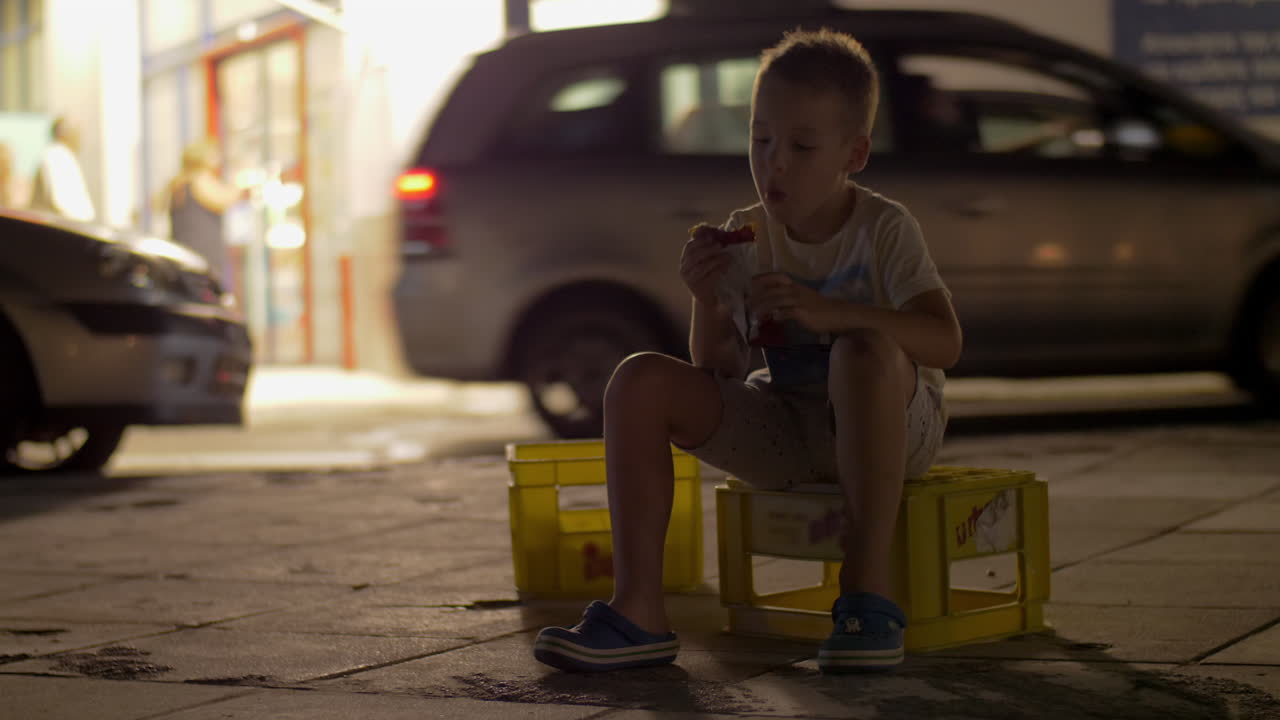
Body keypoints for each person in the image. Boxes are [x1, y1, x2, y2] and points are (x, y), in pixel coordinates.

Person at [532, 28, 963, 674]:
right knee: (637, 380)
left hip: (891, 428)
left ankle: (867, 596)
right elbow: (720, 371)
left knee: (862, 352)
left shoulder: (883, 228)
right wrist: (707, 297)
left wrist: (832, 315)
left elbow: (945, 341)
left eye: (801, 146)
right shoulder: (747, 233)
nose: (774, 163)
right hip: (788, 425)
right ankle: (639, 609)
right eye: (760, 140)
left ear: (856, 153)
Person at [164, 139, 246, 280]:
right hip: (202, 248)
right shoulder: (199, 179)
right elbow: (223, 200)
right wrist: (239, 182)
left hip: (184, 247)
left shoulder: (178, 182)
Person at [30, 116, 95, 222]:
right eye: (77, 132)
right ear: (64, 134)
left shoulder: (65, 156)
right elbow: (63, 203)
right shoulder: (57, 156)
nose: (80, 138)